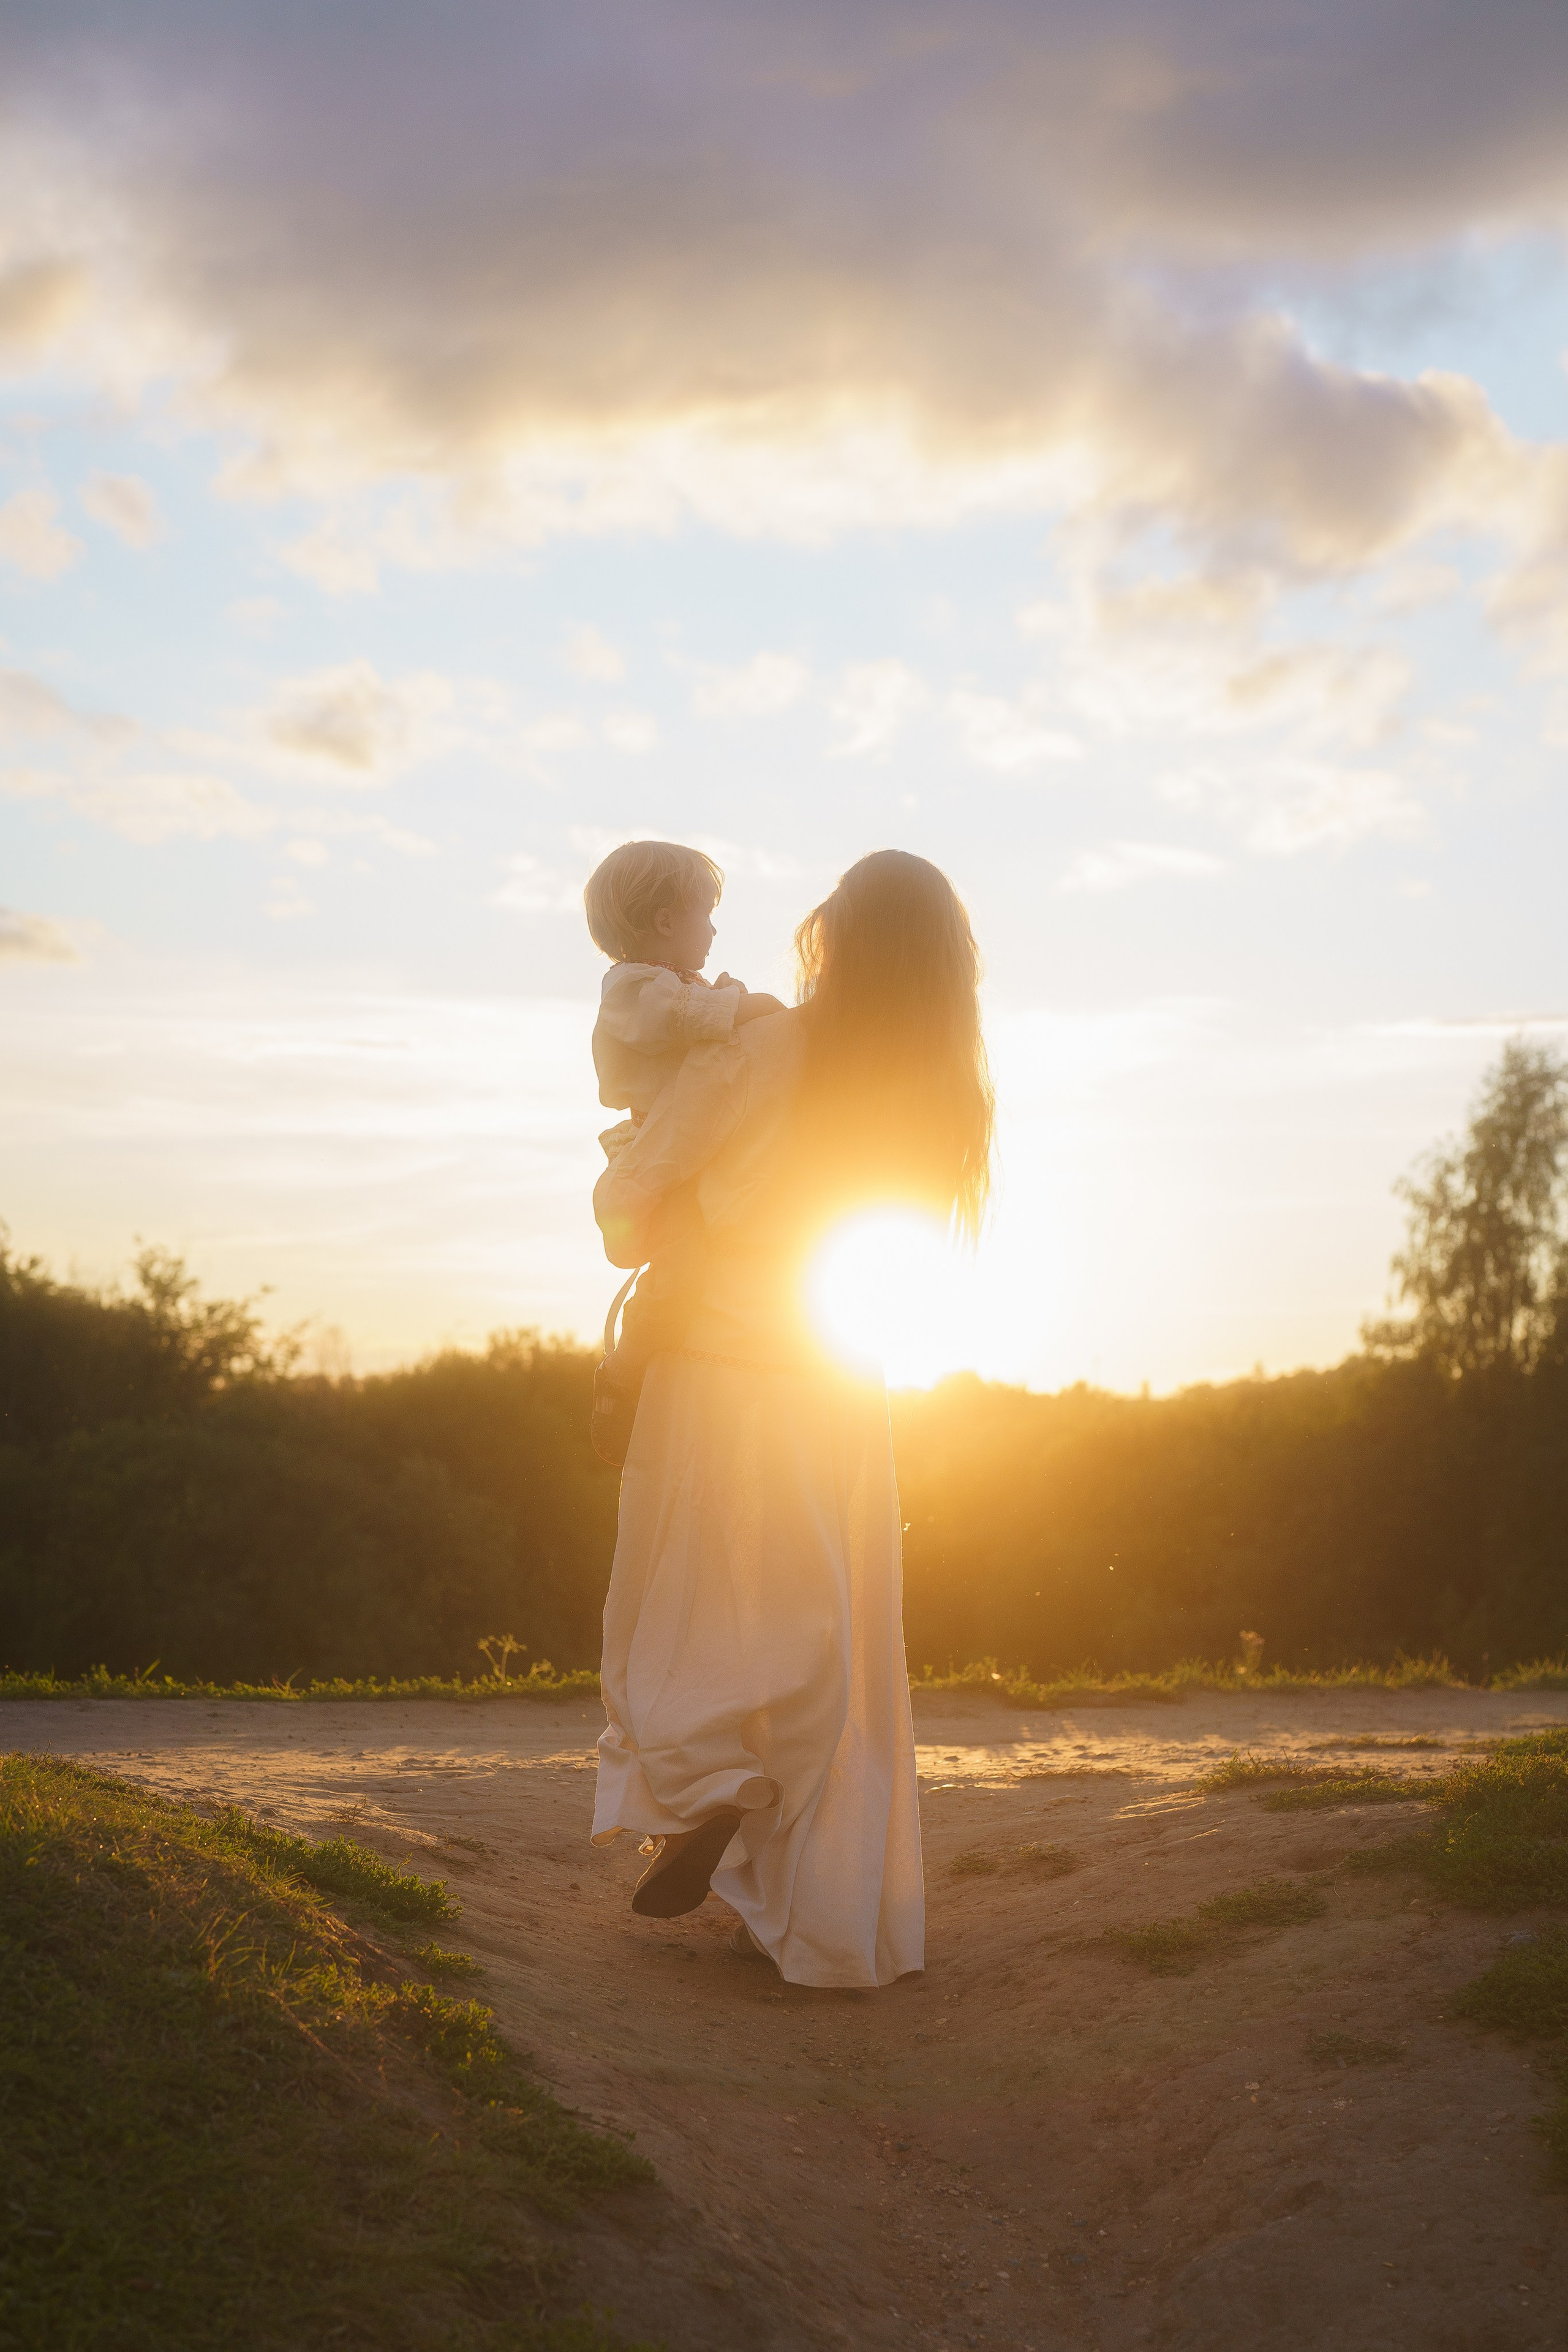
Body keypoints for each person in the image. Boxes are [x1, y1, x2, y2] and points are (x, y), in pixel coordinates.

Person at [589, 849, 993, 1988]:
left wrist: (637, 1195)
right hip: (841, 1384)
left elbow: (635, 1204)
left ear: (834, 937)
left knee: (698, 1602)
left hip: (718, 1370)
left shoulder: (767, 1046)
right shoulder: (935, 1090)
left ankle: (715, 1789)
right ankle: (815, 1899)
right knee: (827, 1633)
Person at [582, 839, 784, 1461]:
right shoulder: (633, 989)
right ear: (666, 921)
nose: (715, 927)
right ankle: (625, 1368)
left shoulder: (683, 986)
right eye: (704, 913)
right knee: (682, 1262)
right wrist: (750, 1009)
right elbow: (681, 1020)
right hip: (653, 1147)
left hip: (693, 1145)